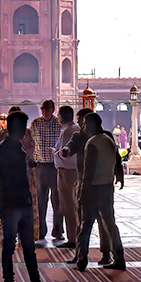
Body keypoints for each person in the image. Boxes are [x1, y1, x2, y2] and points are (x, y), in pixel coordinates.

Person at [0, 111, 55, 282]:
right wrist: (3, 205)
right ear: (14, 127)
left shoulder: (17, 148)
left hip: (22, 203)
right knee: (9, 246)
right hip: (12, 204)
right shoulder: (2, 150)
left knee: (28, 246)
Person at [73, 112, 126, 272]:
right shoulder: (109, 140)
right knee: (110, 224)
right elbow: (117, 160)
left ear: (90, 125)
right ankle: (119, 258)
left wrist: (82, 192)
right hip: (107, 187)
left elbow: (89, 170)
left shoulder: (93, 142)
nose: (82, 127)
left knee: (85, 225)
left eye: (84, 124)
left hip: (93, 188)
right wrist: (120, 176)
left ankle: (81, 260)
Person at [30, 99, 63, 242]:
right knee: (40, 201)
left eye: (47, 109)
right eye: (43, 109)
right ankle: (40, 231)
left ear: (53, 110)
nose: (45, 111)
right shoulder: (35, 123)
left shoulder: (59, 124)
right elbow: (30, 143)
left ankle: (58, 231)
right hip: (41, 166)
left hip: (55, 166)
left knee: (57, 201)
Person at [53, 105, 79, 249]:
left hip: (67, 171)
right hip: (74, 170)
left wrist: (53, 153)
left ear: (61, 117)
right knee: (73, 204)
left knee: (68, 205)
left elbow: (63, 153)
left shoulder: (68, 130)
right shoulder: (74, 129)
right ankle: (74, 236)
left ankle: (72, 238)